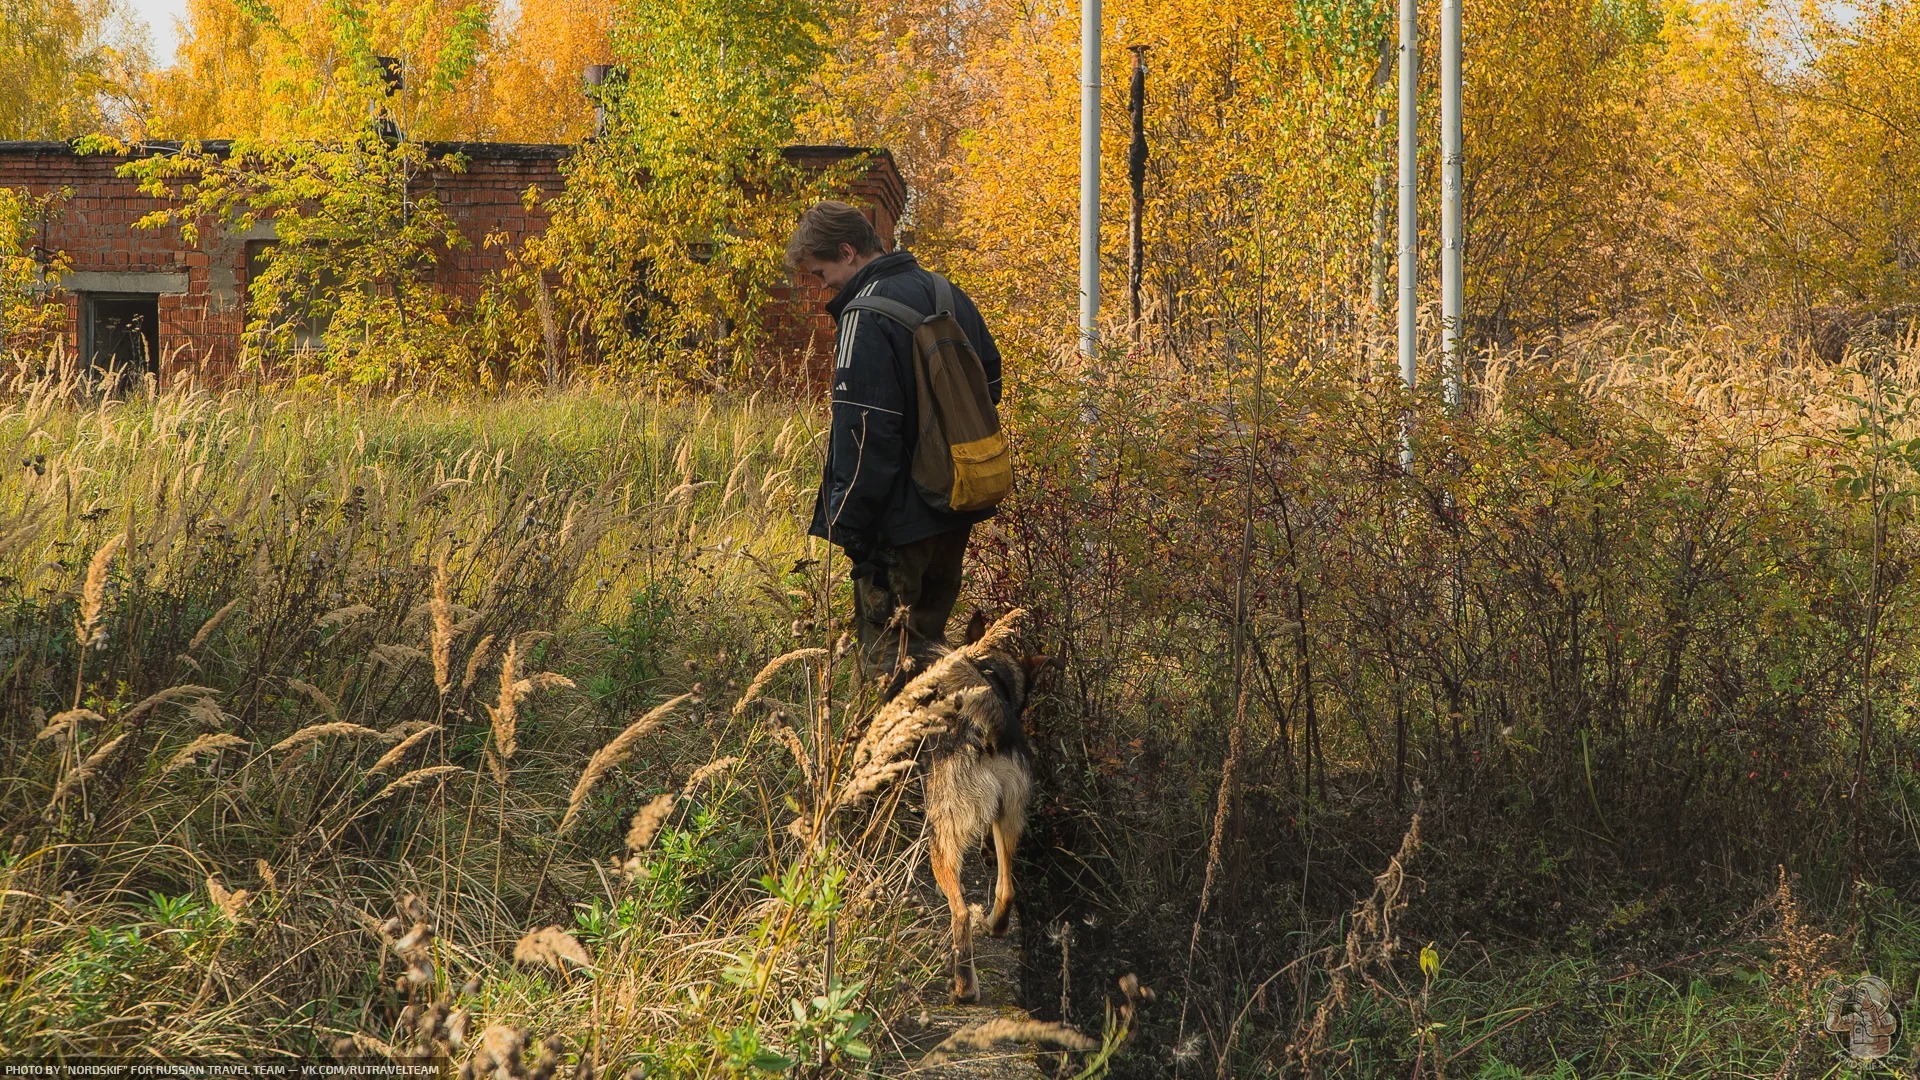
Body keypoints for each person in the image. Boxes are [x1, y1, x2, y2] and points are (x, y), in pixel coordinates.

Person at [786, 200, 1003, 684]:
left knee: (891, 668)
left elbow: (866, 436)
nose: (824, 288)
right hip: (955, 508)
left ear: (848, 251)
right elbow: (988, 387)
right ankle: (937, 756)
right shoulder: (948, 294)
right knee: (930, 653)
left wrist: (852, 529)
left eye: (823, 273)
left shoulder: (864, 315)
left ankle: (898, 758)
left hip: (897, 529)